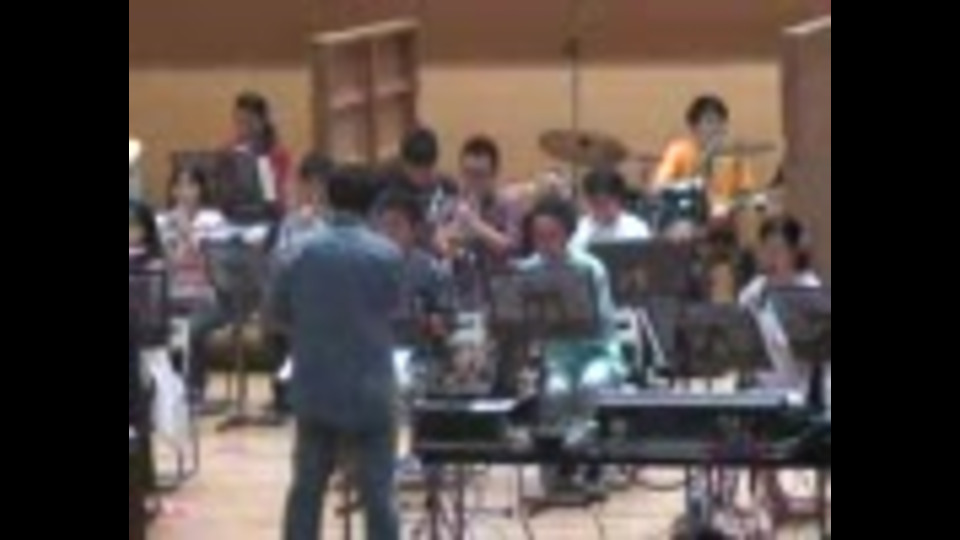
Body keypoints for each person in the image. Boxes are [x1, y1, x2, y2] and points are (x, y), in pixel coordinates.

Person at [270, 165, 403, 540]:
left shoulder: (296, 251)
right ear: (374, 206)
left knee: (306, 491)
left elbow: (276, 315)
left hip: (316, 386)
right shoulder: (388, 254)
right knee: (379, 495)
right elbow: (394, 310)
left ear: (327, 199)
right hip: (371, 388)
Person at [517, 197, 626, 494]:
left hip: (597, 352)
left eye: (552, 235)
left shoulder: (590, 268)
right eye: (538, 236)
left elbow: (605, 321)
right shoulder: (526, 271)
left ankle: (595, 466)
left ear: (567, 234)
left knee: (592, 383)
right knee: (556, 391)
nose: (544, 243)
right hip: (557, 356)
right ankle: (555, 470)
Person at [738, 215, 824, 525]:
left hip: (804, 386)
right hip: (765, 387)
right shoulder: (755, 291)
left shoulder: (810, 290)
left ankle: (802, 497)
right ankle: (772, 496)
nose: (771, 257)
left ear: (796, 251)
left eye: (779, 250)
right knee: (745, 411)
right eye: (766, 249)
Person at [266, 153, 334, 418]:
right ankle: (285, 391)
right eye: (310, 184)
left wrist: (317, 225)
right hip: (295, 292)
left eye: (320, 184)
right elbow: (279, 259)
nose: (314, 191)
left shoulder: (336, 219)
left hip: (328, 295)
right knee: (275, 311)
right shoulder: (292, 220)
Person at [157, 167, 230, 406]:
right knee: (151, 322)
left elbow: (216, 266)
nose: (184, 191)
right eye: (179, 185)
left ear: (201, 190)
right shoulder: (161, 221)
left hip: (208, 298)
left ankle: (194, 389)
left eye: (191, 185)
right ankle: (163, 389)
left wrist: (189, 233)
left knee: (193, 327)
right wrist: (175, 240)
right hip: (172, 296)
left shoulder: (215, 220)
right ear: (172, 190)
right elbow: (165, 267)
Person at [439, 135, 521, 308]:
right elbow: (440, 246)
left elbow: (510, 247)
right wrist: (457, 227)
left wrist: (475, 224)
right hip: (461, 294)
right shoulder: (451, 205)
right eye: (467, 173)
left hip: (499, 295)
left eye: (480, 175)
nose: (472, 181)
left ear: (494, 174)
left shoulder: (508, 205)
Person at [654, 95, 757, 224]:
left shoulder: (734, 156)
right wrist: (706, 159)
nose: (716, 128)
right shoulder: (678, 151)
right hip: (685, 220)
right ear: (693, 128)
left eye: (721, 122)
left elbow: (747, 196)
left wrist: (729, 204)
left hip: (723, 223)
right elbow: (657, 188)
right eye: (709, 122)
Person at [229, 91, 293, 208]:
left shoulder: (277, 153)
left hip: (266, 212)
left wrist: (259, 158)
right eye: (239, 122)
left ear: (262, 122)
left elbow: (272, 196)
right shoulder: (231, 149)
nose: (242, 129)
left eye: (248, 122)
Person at [570, 168, 652, 250]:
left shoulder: (636, 229)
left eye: (605, 203)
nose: (600, 210)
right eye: (595, 203)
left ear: (619, 200)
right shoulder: (579, 229)